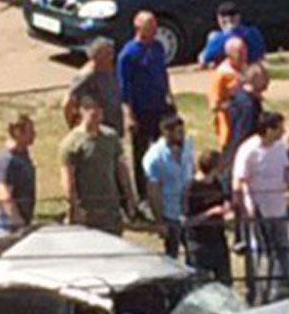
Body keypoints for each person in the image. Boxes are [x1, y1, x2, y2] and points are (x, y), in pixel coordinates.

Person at [233, 111, 289, 306]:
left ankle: (283, 292)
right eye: (279, 127)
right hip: (259, 211)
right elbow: (240, 181)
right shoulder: (249, 150)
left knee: (283, 249)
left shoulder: (279, 147)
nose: (283, 131)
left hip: (279, 208)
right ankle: (258, 293)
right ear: (268, 130)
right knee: (261, 253)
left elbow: (286, 172)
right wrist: (246, 207)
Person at [59, 93, 137, 235]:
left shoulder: (111, 137)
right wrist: (74, 208)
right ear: (80, 111)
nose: (94, 112)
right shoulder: (71, 143)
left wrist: (129, 199)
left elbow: (122, 170)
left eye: (98, 108)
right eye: (88, 108)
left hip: (111, 211)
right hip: (87, 213)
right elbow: (68, 180)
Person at [118, 11, 174, 200]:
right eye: (149, 26)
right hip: (142, 109)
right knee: (141, 151)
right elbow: (125, 88)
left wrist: (169, 95)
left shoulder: (157, 47)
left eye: (154, 26)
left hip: (160, 106)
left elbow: (163, 74)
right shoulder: (128, 54)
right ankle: (143, 194)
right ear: (139, 27)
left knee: (164, 146)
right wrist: (129, 114)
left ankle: (163, 185)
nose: (154, 30)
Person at [208, 36, 257, 193]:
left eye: (245, 51)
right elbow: (214, 104)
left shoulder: (246, 69)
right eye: (240, 53)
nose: (244, 55)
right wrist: (234, 103)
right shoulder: (222, 74)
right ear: (229, 54)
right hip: (230, 128)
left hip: (247, 125)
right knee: (230, 162)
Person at [143, 113, 195, 259]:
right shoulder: (155, 158)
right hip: (169, 212)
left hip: (188, 209)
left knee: (194, 251)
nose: (182, 135)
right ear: (167, 133)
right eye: (178, 132)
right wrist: (159, 221)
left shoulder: (189, 145)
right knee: (172, 254)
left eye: (182, 131)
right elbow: (153, 191)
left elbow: (192, 169)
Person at [184, 150, 233, 285]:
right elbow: (187, 221)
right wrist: (209, 213)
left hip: (218, 240)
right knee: (200, 285)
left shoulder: (216, 183)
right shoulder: (192, 188)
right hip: (199, 244)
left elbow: (224, 201)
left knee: (225, 283)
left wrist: (227, 211)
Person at [64, 37, 122, 133]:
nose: (111, 57)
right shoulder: (86, 76)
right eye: (107, 54)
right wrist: (72, 126)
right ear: (96, 57)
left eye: (111, 53)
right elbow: (68, 102)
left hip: (114, 126)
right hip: (97, 129)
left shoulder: (111, 70)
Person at [0, 115, 37, 230]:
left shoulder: (23, 155)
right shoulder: (8, 160)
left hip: (24, 219)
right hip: (10, 224)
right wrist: (18, 222)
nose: (34, 134)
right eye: (30, 131)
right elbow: (5, 195)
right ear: (17, 132)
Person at [199, 2, 267, 68]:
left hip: (232, 74)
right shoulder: (253, 32)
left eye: (231, 15)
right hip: (252, 72)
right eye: (224, 16)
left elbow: (203, 60)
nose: (227, 18)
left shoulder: (217, 37)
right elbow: (261, 55)